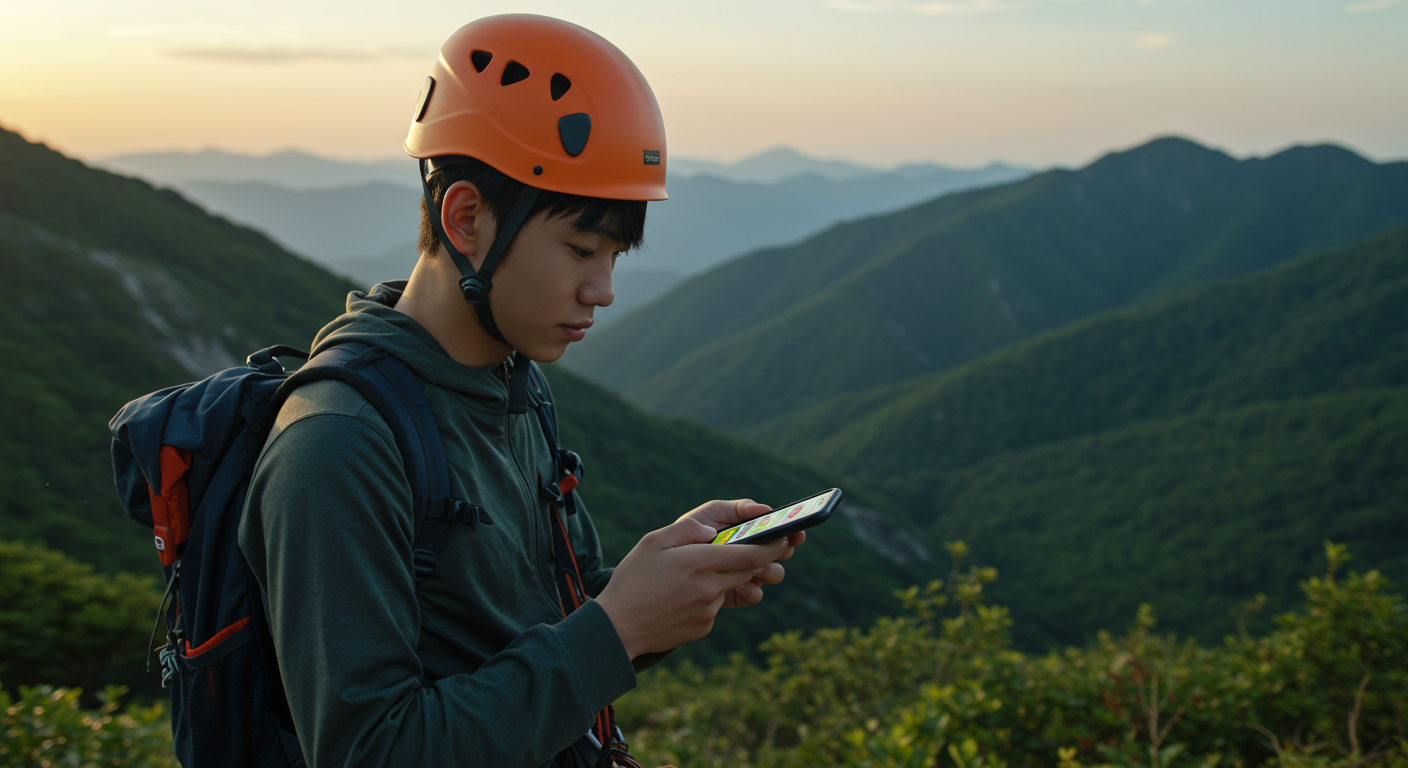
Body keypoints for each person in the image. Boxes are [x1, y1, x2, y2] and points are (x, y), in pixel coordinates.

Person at [237, 13, 804, 768]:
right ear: (466, 218)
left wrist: (670, 583)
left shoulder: (513, 387)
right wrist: (621, 625)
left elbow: (561, 622)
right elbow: (369, 751)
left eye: (614, 256)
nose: (602, 289)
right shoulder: (336, 444)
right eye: (581, 248)